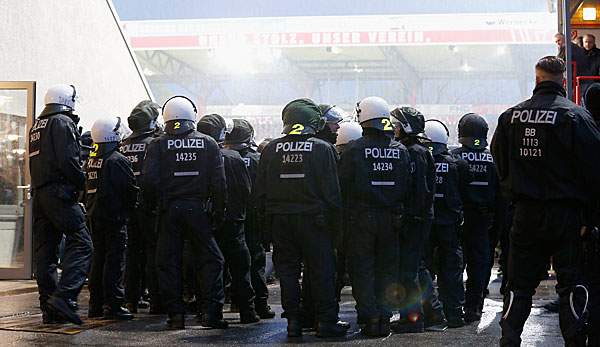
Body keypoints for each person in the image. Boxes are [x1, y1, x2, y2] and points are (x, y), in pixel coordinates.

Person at [491, 56, 600, 346]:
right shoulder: (576, 117)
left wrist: (515, 192)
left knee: (519, 284)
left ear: (537, 79)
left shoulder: (509, 117)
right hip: (567, 216)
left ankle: (509, 340)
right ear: (563, 81)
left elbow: (499, 162)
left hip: (525, 214)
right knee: (571, 285)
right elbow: (594, 169)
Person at [253, 98, 346, 338]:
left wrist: (266, 228)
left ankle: (294, 321)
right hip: (315, 221)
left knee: (288, 273)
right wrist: (338, 229)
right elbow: (332, 194)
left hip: (280, 221)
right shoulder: (323, 148)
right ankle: (326, 321)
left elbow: (260, 193)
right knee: (322, 271)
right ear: (313, 122)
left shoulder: (271, 149)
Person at [141, 96, 228, 329]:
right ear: (192, 116)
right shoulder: (208, 143)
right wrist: (219, 209)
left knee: (168, 261)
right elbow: (219, 182)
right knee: (211, 259)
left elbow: (148, 181)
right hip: (199, 209)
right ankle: (211, 313)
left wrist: (150, 207)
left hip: (168, 210)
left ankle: (175, 315)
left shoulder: (157, 144)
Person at [338, 96, 411, 337]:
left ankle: (369, 318)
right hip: (393, 220)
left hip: (361, 219)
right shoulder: (400, 150)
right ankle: (384, 318)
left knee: (361, 270)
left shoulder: (353, 149)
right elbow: (407, 187)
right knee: (387, 270)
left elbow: (343, 186)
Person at [28, 84, 93, 325]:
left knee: (45, 253)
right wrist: (80, 184)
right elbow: (69, 159)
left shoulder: (37, 125)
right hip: (60, 192)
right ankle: (65, 298)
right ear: (68, 100)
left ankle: (49, 309)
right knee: (83, 242)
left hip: (40, 193)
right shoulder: (62, 122)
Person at [197, 113, 260, 324]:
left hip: (204, 221)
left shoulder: (197, 154)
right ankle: (247, 311)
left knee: (209, 265)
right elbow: (246, 190)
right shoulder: (232, 158)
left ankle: (209, 312)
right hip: (234, 221)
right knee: (240, 266)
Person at [389, 106, 440, 332]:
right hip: (419, 217)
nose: (394, 129)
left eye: (397, 125)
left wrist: (409, 217)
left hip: (414, 219)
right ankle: (433, 312)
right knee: (418, 267)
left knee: (407, 270)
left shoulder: (414, 152)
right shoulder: (418, 150)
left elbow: (418, 188)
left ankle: (412, 319)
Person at [85, 116, 138, 320]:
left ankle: (95, 304)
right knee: (115, 262)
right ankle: (113, 304)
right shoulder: (117, 160)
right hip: (114, 217)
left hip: (95, 215)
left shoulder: (92, 160)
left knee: (98, 259)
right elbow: (129, 190)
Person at [224, 118, 276, 319]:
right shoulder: (257, 159)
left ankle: (236, 301)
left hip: (231, 216)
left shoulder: (222, 157)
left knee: (232, 261)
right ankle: (260, 304)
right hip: (253, 217)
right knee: (255, 262)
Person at [423, 119, 473, 328]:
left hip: (425, 225)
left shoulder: (418, 160)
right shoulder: (458, 164)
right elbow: (466, 190)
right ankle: (454, 314)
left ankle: (428, 312)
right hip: (450, 226)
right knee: (452, 270)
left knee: (423, 269)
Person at [451, 113, 499, 322]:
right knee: (479, 264)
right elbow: (501, 194)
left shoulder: (454, 157)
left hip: (458, 218)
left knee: (453, 264)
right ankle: (474, 307)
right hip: (483, 220)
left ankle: (453, 306)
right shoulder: (494, 158)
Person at [121, 100, 163, 314]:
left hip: (126, 208)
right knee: (153, 252)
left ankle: (130, 300)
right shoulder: (154, 143)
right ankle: (157, 300)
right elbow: (152, 178)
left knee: (132, 254)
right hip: (148, 207)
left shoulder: (122, 144)